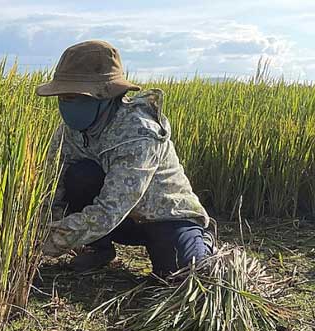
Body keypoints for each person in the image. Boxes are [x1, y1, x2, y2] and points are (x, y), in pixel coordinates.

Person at [38, 40, 215, 276]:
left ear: (106, 95)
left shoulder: (139, 133)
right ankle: (98, 249)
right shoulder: (70, 132)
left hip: (164, 217)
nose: (66, 104)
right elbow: (53, 185)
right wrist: (37, 229)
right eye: (63, 96)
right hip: (120, 223)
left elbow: (110, 210)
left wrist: (46, 243)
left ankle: (201, 241)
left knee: (184, 273)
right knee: (79, 175)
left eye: (74, 95)